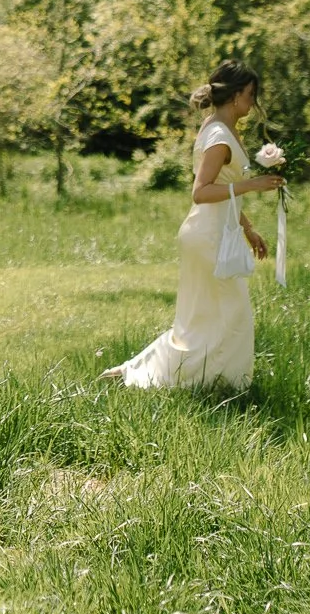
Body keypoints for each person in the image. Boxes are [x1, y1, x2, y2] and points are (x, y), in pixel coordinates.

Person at [103, 61, 278, 392]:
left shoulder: (220, 128)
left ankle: (145, 373)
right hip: (207, 235)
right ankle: (201, 382)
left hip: (215, 231)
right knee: (231, 316)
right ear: (237, 94)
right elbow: (201, 191)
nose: (253, 103)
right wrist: (252, 184)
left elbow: (223, 188)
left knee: (204, 321)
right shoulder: (218, 137)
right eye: (250, 95)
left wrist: (247, 227)